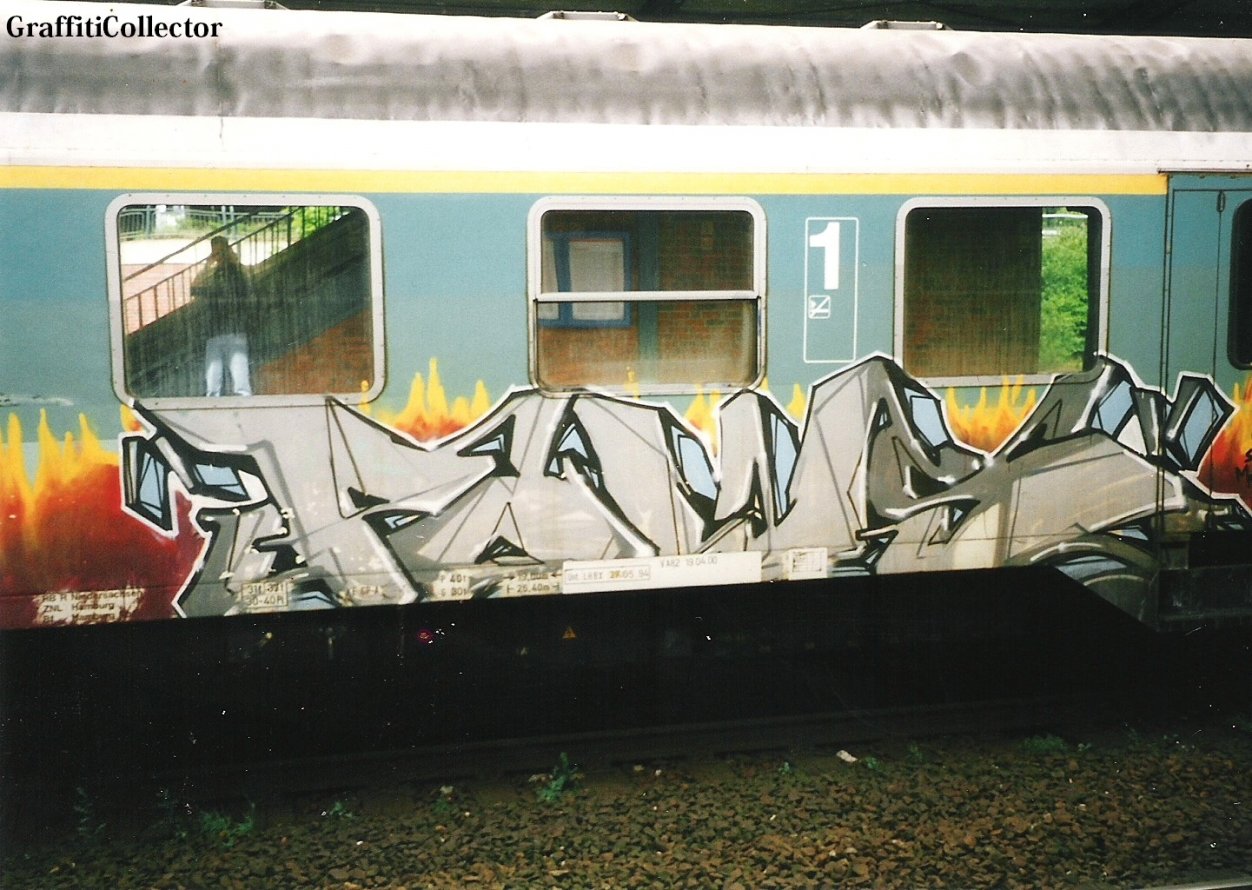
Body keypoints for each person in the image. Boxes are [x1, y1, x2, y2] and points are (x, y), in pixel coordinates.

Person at [192, 235, 254, 397]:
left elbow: (247, 290)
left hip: (233, 329)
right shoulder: (213, 274)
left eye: (219, 252)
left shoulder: (238, 271)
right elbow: (195, 288)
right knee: (213, 382)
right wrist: (207, 265)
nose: (218, 256)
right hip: (217, 329)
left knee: (240, 382)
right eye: (215, 252)